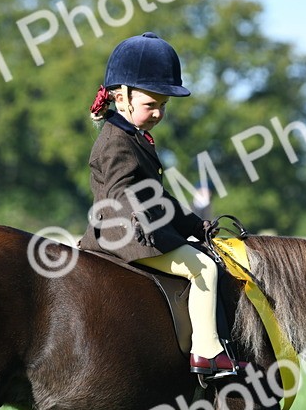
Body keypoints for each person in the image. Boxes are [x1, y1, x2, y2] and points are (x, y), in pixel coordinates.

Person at [80, 32, 236, 377]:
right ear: (122, 99)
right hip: (126, 236)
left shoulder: (133, 138)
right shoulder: (115, 142)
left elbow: (157, 196)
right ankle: (207, 351)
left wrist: (196, 226)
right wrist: (156, 230)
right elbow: (123, 194)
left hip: (138, 228)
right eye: (152, 105)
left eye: (163, 106)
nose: (158, 113)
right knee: (204, 268)